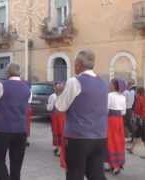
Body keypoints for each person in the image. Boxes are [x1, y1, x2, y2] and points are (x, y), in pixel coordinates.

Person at [55, 49, 108, 180]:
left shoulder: (75, 81)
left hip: (78, 138)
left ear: (78, 64)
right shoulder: (103, 83)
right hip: (100, 137)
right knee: (96, 175)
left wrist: (59, 93)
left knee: (75, 175)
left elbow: (59, 108)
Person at [0, 63, 31, 180]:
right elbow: (27, 104)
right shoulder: (26, 87)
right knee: (16, 164)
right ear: (19, 73)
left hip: (4, 128)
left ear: (7, 73)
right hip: (21, 129)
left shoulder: (3, 85)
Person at [105, 78, 126, 175]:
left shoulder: (110, 95)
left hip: (111, 120)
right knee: (118, 141)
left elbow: (106, 109)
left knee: (110, 141)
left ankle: (114, 165)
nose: (109, 85)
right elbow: (123, 112)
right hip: (119, 120)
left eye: (111, 84)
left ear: (114, 86)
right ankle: (115, 164)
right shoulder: (123, 97)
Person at [127, 87, 145, 160]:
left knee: (144, 137)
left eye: (136, 92)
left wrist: (134, 115)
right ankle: (131, 149)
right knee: (137, 134)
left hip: (141, 120)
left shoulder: (139, 99)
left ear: (138, 93)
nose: (135, 94)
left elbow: (137, 110)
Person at [47, 82, 66, 157]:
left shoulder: (53, 96)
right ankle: (61, 149)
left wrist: (48, 106)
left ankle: (57, 148)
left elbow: (50, 108)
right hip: (64, 116)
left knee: (56, 132)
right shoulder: (66, 96)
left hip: (56, 115)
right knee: (62, 132)